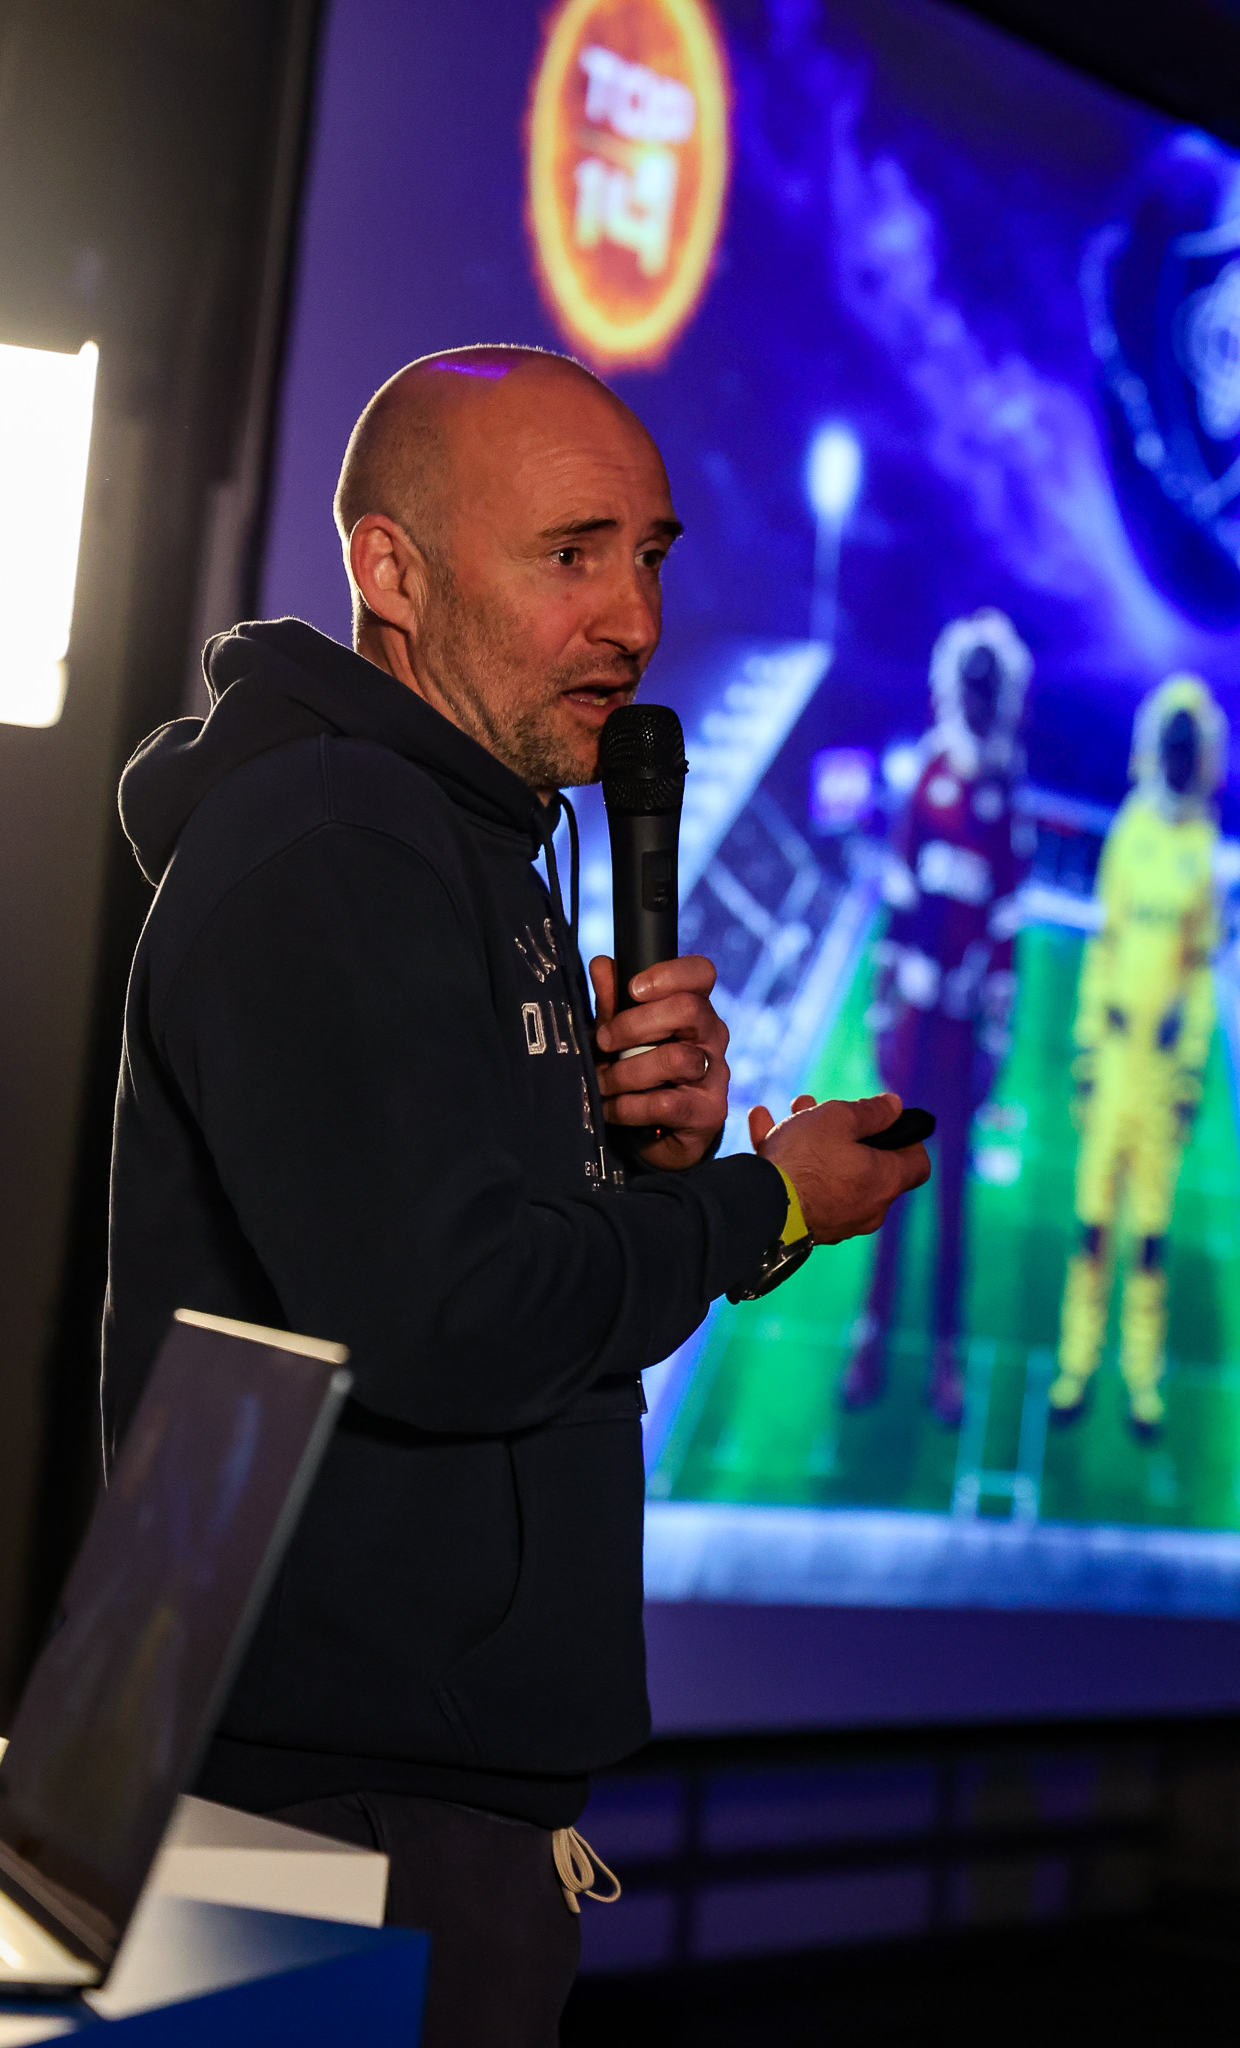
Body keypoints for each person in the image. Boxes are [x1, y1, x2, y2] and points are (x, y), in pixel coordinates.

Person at [102, 344, 927, 2047]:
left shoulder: (465, 835)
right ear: (391, 573)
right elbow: (447, 1315)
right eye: (570, 554)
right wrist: (759, 1208)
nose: (634, 618)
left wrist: (646, 1166)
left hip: (397, 1783)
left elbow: (451, 1252)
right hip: (323, 1802)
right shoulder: (340, 840)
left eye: (651, 556)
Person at [842, 609, 1032, 1425]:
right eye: (971, 685)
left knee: (952, 1196)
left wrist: (994, 1024)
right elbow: (897, 896)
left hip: (958, 1032)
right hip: (916, 1025)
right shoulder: (924, 775)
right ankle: (872, 1335)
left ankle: (944, 1353)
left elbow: (1006, 925)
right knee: (887, 1186)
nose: (979, 701)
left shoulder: (1004, 796)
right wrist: (885, 1002)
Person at [1053, 673, 1226, 1437]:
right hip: (1117, 1061)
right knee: (1091, 1227)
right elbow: (1103, 948)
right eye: (1172, 744)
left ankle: (1140, 1378)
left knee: (1149, 1241)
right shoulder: (1128, 833)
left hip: (1158, 1079)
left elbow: (1199, 971)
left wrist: (1187, 1072)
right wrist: (1087, 1053)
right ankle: (1076, 1363)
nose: (1179, 759)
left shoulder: (1203, 850)